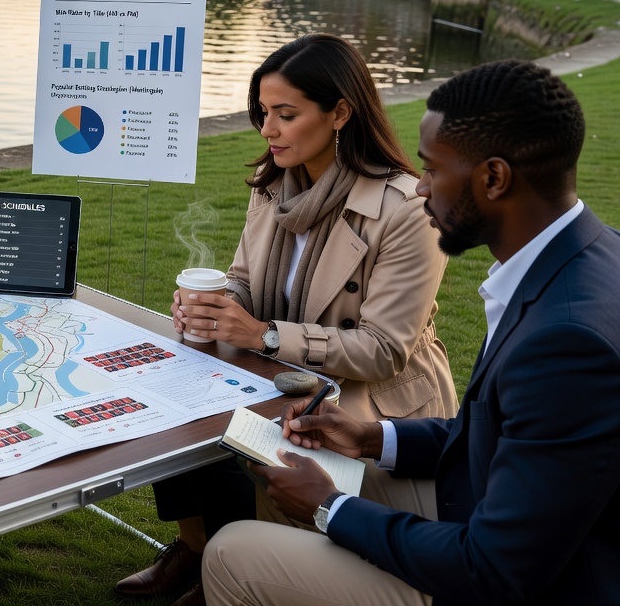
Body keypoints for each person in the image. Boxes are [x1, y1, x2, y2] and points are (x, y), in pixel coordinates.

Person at [202, 59, 620, 605]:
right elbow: (503, 436)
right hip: (496, 510)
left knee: (232, 552)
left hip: (520, 581)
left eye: (432, 170)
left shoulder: (566, 343)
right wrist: (373, 438)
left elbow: (493, 570)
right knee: (295, 466)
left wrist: (331, 508)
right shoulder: (586, 256)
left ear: (493, 178)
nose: (420, 189)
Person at [115, 34, 457, 604]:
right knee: (173, 392)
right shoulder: (275, 184)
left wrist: (264, 334)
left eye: (285, 115)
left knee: (255, 436)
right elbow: (246, 280)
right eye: (263, 113)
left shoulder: (406, 210)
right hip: (283, 372)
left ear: (341, 112)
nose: (267, 130)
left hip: (373, 402)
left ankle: (241, 564)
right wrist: (216, 304)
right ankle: (199, 549)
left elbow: (383, 349)